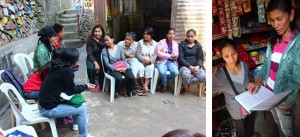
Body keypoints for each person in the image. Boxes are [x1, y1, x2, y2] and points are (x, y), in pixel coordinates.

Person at [250, 0, 300, 136]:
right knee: (278, 123)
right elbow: (266, 64)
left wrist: (280, 99)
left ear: (291, 15)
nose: (275, 25)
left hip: (283, 100)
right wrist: (259, 80)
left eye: (279, 19)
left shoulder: (297, 45)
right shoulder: (273, 41)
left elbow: (296, 80)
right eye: (272, 20)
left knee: (286, 131)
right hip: (269, 95)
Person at [39, 48, 95, 137]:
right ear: (75, 61)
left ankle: (76, 124)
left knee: (77, 103)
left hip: (44, 104)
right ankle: (83, 135)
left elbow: (67, 88)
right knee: (82, 110)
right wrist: (85, 86)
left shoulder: (56, 65)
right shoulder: (67, 71)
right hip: (48, 109)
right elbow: (70, 91)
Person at [212, 39, 256, 137]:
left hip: (250, 105)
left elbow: (250, 80)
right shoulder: (219, 75)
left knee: (250, 128)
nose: (232, 58)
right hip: (236, 111)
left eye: (233, 53)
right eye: (227, 56)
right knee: (241, 132)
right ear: (222, 56)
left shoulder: (244, 65)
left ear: (237, 51)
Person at [178, 29, 206, 94]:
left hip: (196, 66)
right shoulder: (182, 44)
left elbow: (200, 58)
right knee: (186, 75)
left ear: (195, 36)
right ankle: (185, 87)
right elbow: (180, 58)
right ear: (186, 36)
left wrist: (198, 66)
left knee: (204, 76)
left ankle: (186, 85)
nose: (190, 38)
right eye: (188, 36)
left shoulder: (198, 46)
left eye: (192, 36)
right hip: (185, 66)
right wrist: (189, 66)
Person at [155, 28, 179, 92]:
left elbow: (176, 55)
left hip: (171, 62)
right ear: (166, 35)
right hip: (161, 61)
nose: (171, 35)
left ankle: (162, 82)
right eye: (170, 34)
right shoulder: (161, 42)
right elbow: (159, 53)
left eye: (173, 34)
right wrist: (170, 55)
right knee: (162, 72)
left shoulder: (175, 43)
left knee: (175, 72)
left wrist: (165, 52)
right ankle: (164, 85)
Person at [136, 27, 157, 92]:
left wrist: (150, 61)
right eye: (144, 34)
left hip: (150, 62)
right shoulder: (140, 42)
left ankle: (145, 85)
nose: (145, 36)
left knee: (150, 68)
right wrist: (143, 60)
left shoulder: (155, 44)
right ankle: (143, 85)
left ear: (151, 35)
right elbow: (137, 53)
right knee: (140, 68)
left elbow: (155, 55)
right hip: (141, 61)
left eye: (147, 34)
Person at [86, 24, 106, 92]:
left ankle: (101, 85)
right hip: (92, 58)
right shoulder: (90, 41)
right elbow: (89, 54)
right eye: (95, 31)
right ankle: (92, 84)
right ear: (93, 32)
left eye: (99, 31)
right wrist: (96, 64)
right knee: (91, 68)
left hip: (101, 58)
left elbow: (104, 46)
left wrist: (97, 41)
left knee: (103, 69)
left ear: (102, 32)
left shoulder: (104, 40)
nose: (97, 33)